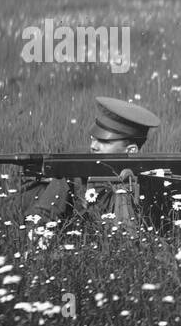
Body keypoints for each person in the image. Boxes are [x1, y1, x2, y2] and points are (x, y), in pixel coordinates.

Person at [25, 96, 160, 232]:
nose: (93, 146)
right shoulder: (77, 166)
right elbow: (42, 217)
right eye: (93, 139)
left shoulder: (152, 179)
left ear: (131, 150)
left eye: (104, 141)